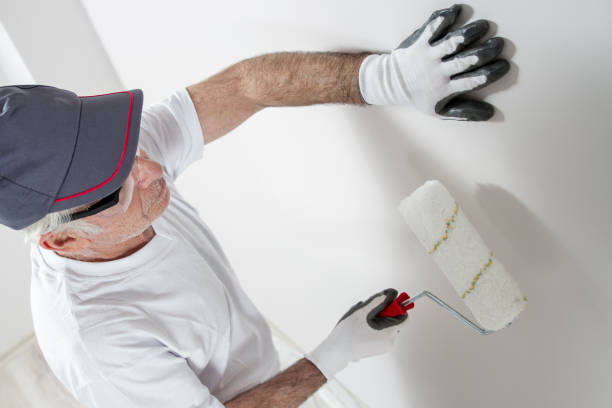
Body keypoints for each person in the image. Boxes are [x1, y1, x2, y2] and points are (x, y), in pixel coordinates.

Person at [0, 4, 510, 407]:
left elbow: (245, 86)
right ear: (63, 238)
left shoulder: (126, 168)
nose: (152, 170)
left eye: (127, 147)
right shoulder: (98, 343)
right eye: (118, 185)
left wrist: (384, 78)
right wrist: (332, 358)